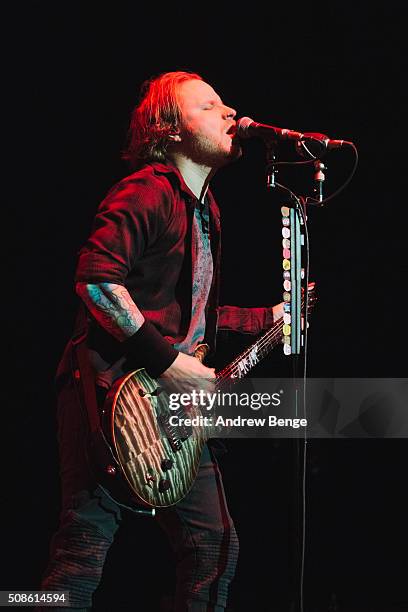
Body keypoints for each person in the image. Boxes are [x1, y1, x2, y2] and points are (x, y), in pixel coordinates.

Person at [40, 71, 284, 611]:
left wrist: (271, 316)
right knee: (83, 551)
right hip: (111, 393)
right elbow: (97, 280)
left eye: (225, 103)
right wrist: (167, 361)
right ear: (170, 128)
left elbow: (196, 318)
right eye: (209, 106)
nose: (229, 112)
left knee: (214, 548)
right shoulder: (147, 189)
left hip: (170, 406)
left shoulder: (206, 211)